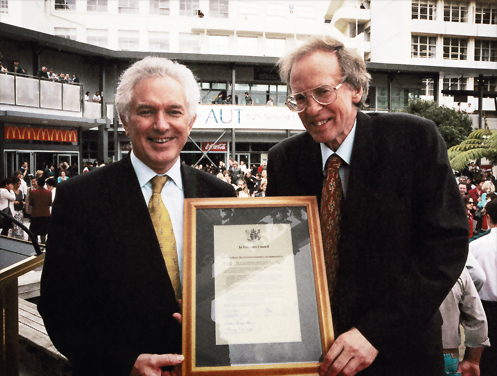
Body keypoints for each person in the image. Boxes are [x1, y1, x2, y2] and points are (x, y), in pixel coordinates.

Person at [266, 36, 468, 376]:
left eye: (323, 92)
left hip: (399, 354)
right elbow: (277, 256)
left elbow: (444, 248)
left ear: (356, 89)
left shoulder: (413, 139)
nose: (312, 108)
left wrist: (374, 332)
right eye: (299, 99)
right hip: (312, 356)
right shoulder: (284, 159)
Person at [38, 56, 235, 376]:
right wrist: (124, 362)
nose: (161, 124)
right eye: (146, 111)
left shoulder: (221, 195)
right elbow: (59, 308)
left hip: (209, 367)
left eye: (174, 111)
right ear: (125, 119)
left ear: (191, 120)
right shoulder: (79, 198)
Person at [439, 267, 489, 376]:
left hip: (404, 351)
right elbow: (478, 320)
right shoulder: (455, 266)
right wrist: (473, 360)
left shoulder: (398, 263)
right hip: (446, 353)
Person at [469, 199, 497, 375]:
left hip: (485, 310)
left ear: (487, 217)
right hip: (485, 309)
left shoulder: (475, 247)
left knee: (487, 360)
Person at [29, 177, 52, 244]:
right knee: (43, 232)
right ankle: (42, 244)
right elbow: (50, 203)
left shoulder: (33, 192)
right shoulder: (48, 192)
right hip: (45, 214)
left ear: (38, 183)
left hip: (35, 214)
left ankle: (35, 244)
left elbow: (31, 203)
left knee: (34, 231)